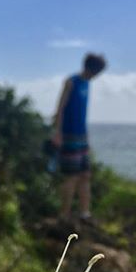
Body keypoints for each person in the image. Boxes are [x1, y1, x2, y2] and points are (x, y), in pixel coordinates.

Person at [52, 53, 106, 224]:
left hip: (82, 136)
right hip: (68, 135)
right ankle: (64, 215)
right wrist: (58, 133)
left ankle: (84, 213)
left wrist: (87, 140)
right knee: (71, 177)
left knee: (85, 175)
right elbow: (59, 109)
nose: (97, 75)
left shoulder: (87, 84)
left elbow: (82, 114)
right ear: (90, 68)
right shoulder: (71, 82)